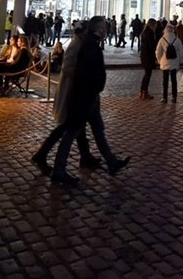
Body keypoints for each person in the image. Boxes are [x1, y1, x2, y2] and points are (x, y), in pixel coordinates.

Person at [50, 16, 130, 185]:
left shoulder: (89, 43)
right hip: (85, 95)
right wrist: (95, 86)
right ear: (96, 29)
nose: (105, 30)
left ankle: (111, 161)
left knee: (97, 129)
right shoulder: (89, 45)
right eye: (102, 27)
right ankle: (59, 170)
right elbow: (85, 71)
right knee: (72, 131)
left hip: (90, 95)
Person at [31, 21, 103, 177]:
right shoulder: (78, 45)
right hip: (72, 93)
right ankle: (47, 159)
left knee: (77, 126)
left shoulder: (78, 44)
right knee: (68, 127)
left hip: (76, 92)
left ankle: (85, 156)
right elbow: (72, 70)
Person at [157, 20, 183, 104]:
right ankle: (174, 97)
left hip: (165, 62)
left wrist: (159, 60)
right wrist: (179, 60)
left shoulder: (162, 39)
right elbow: (181, 52)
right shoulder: (177, 39)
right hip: (174, 62)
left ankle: (164, 97)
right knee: (174, 80)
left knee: (165, 81)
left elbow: (158, 52)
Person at [138, 18, 158, 100]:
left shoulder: (145, 32)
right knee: (147, 75)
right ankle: (144, 92)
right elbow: (151, 46)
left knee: (146, 74)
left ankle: (142, 91)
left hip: (145, 55)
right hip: (148, 57)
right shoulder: (149, 33)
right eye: (155, 25)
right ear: (152, 24)